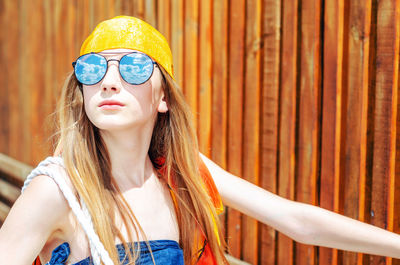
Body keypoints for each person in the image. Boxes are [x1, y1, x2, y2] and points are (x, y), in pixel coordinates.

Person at [0, 15, 399, 265]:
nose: (108, 80)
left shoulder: (182, 176)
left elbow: (295, 220)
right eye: (92, 68)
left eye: (135, 67)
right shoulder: (59, 192)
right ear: (81, 91)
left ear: (163, 98)